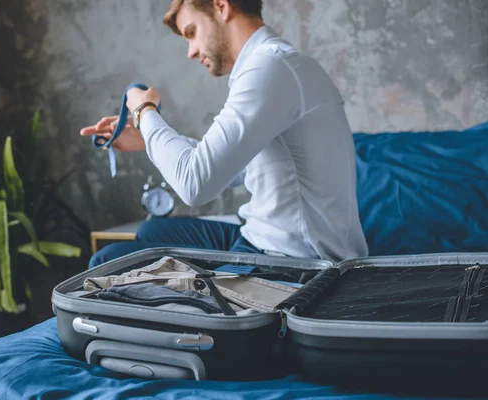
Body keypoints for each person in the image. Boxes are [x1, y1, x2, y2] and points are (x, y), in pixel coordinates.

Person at [81, 0, 368, 269]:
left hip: (295, 262)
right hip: (264, 238)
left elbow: (195, 184)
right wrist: (147, 140)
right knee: (151, 230)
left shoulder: (270, 67)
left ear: (221, 6)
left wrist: (144, 110)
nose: (191, 51)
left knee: (106, 263)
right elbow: (235, 169)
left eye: (192, 32)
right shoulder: (274, 64)